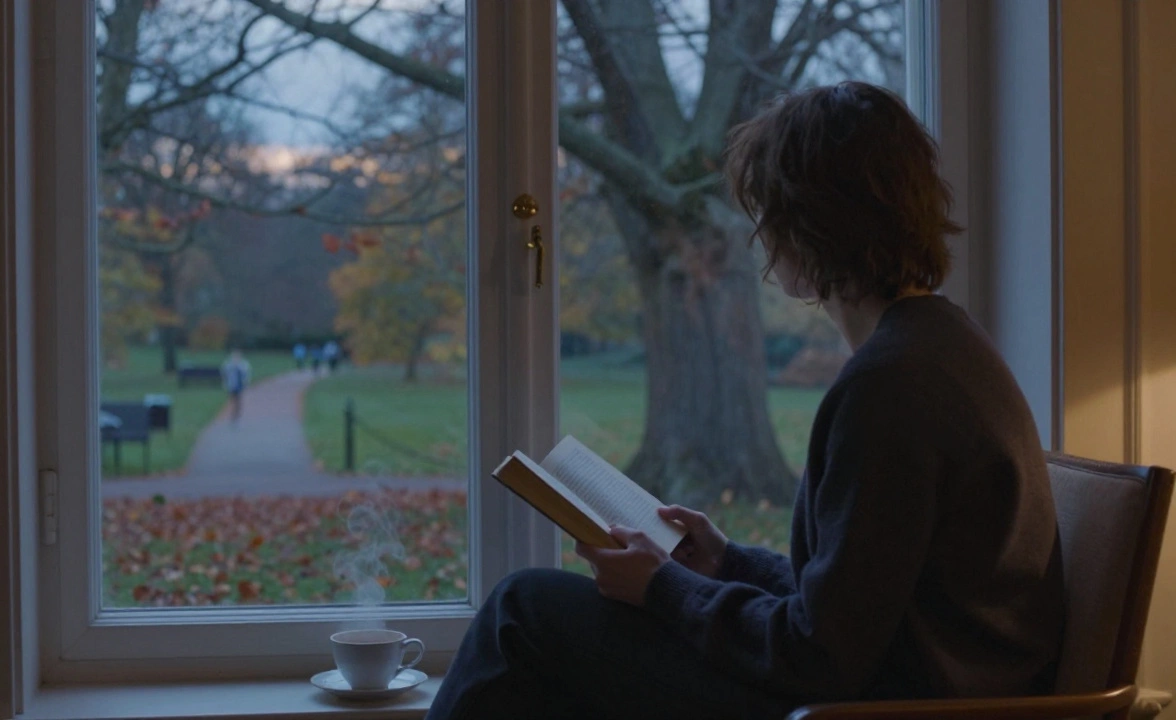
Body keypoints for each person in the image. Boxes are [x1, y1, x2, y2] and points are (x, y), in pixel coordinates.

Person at [426, 81, 1065, 720]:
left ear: (810, 221)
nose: (758, 232)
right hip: (901, 687)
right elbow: (867, 602)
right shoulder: (944, 345)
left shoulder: (892, 387)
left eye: (767, 211)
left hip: (878, 709)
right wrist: (730, 563)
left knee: (523, 613)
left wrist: (664, 589)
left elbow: (821, 655)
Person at [220, 349, 251, 425]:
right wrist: (225, 383)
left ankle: (236, 413)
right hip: (231, 385)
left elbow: (246, 376)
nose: (236, 358)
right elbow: (224, 374)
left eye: (237, 357)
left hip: (239, 385)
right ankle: (232, 414)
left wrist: (246, 383)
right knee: (232, 399)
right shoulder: (228, 365)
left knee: (238, 400)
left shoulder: (243, 365)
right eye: (234, 357)